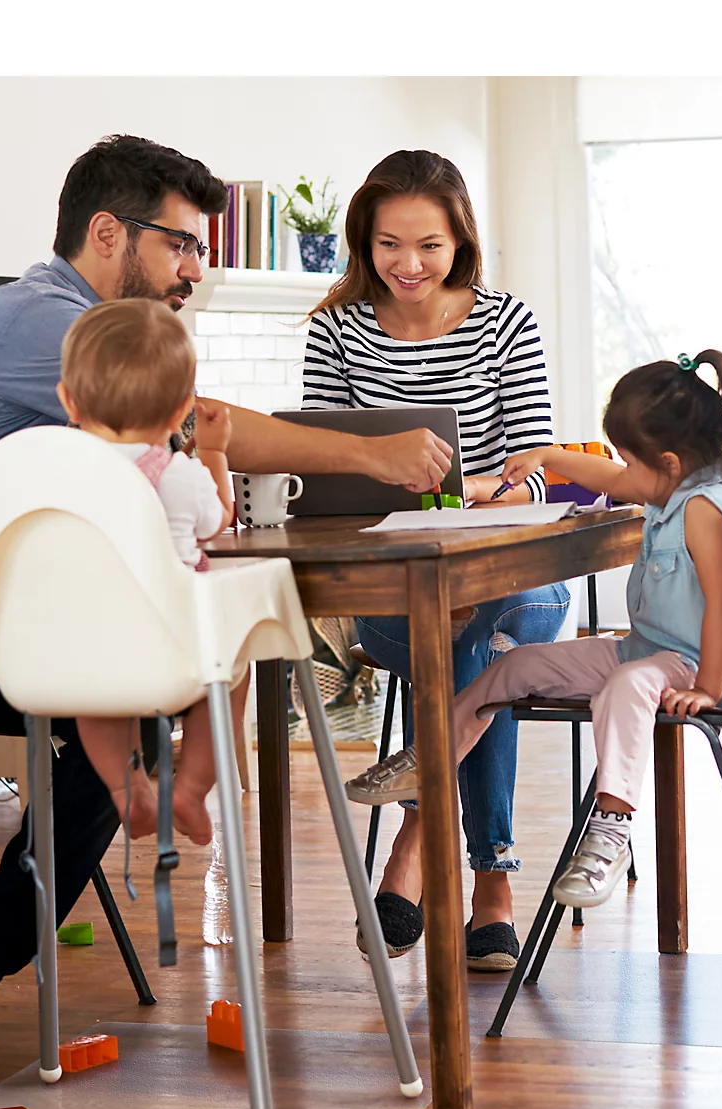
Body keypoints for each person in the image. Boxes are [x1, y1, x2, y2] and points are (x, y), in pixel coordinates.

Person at [0, 133, 453, 1104]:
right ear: (108, 232)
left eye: (200, 251)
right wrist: (375, 454)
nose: (194, 270)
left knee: (127, 721)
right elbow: (188, 410)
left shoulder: (98, 333)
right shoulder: (41, 319)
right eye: (181, 245)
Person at [349, 349, 722, 909]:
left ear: (667, 461)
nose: (623, 474)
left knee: (628, 685)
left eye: (630, 462)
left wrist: (709, 688)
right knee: (511, 665)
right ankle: (430, 760)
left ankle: (611, 830)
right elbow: (610, 477)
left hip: (694, 664)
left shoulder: (703, 509)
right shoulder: (674, 484)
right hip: (651, 650)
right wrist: (546, 455)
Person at [302, 150, 570, 971]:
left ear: (461, 241)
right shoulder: (336, 328)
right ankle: (493, 889)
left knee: (480, 622)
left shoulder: (505, 320)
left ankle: (414, 852)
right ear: (363, 241)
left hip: (512, 577)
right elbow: (319, 458)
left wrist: (487, 487)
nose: (408, 265)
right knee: (475, 651)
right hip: (393, 586)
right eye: (389, 245)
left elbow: (539, 465)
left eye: (429, 245)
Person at [57, 298, 244, 847]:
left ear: (68, 400)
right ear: (178, 410)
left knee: (95, 705)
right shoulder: (176, 474)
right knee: (228, 676)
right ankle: (189, 789)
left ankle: (128, 788)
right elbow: (220, 522)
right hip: (173, 652)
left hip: (77, 653)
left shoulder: (54, 471)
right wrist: (212, 450)